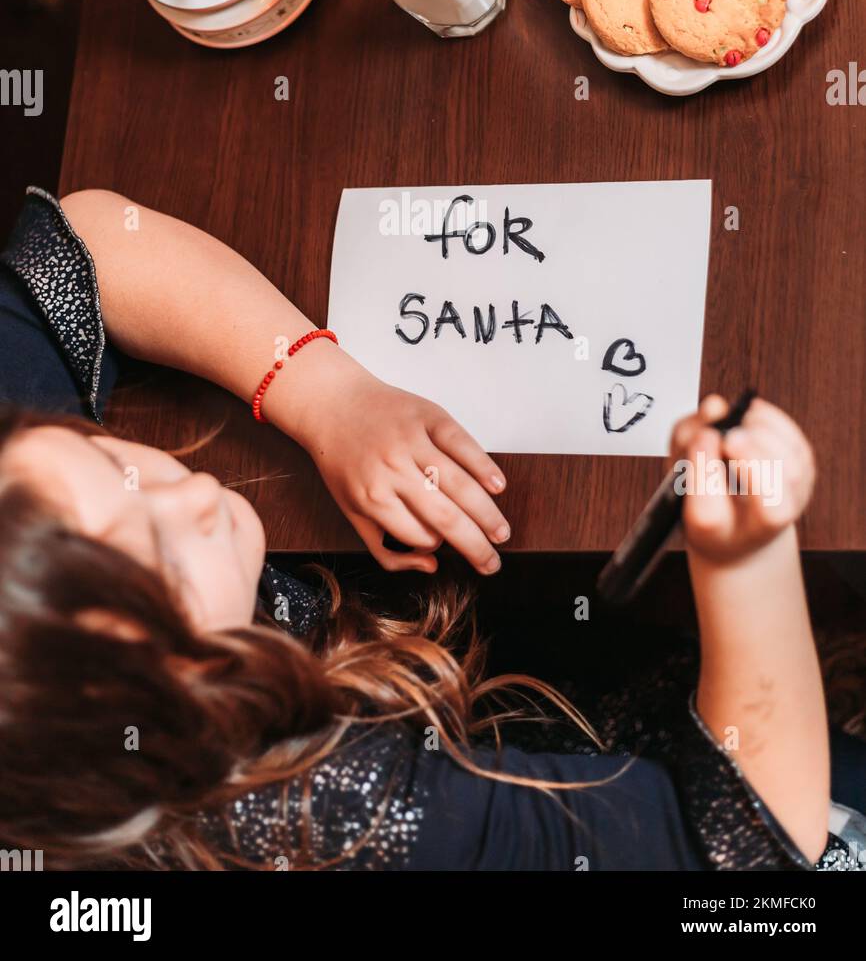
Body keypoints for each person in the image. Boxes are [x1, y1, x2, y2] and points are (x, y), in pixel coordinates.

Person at [0, 186, 858, 870]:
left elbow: (87, 243)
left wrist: (322, 392)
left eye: (114, 463)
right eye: (160, 564)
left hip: (453, 655)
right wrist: (745, 559)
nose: (187, 495)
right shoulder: (319, 817)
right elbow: (749, 843)